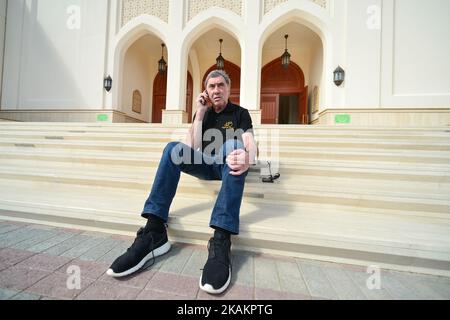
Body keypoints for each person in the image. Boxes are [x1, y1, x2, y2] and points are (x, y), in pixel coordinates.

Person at [106, 69, 257, 295]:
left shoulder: (240, 113)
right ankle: (154, 231)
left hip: (230, 161)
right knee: (172, 149)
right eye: (211, 86)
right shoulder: (203, 114)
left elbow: (249, 142)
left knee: (234, 147)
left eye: (220, 85)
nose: (216, 90)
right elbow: (191, 148)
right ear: (206, 91)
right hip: (206, 163)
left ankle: (221, 238)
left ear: (228, 88)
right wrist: (199, 113)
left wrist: (249, 158)